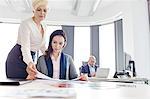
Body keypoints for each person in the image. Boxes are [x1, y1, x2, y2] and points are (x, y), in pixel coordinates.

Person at [5, 0, 48, 80]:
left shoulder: (44, 26)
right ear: (33, 11)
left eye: (44, 10)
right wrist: (30, 62)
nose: (42, 13)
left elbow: (42, 45)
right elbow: (25, 47)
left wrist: (50, 55)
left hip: (30, 56)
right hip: (18, 57)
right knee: (20, 85)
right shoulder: (26, 24)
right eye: (39, 10)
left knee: (30, 85)